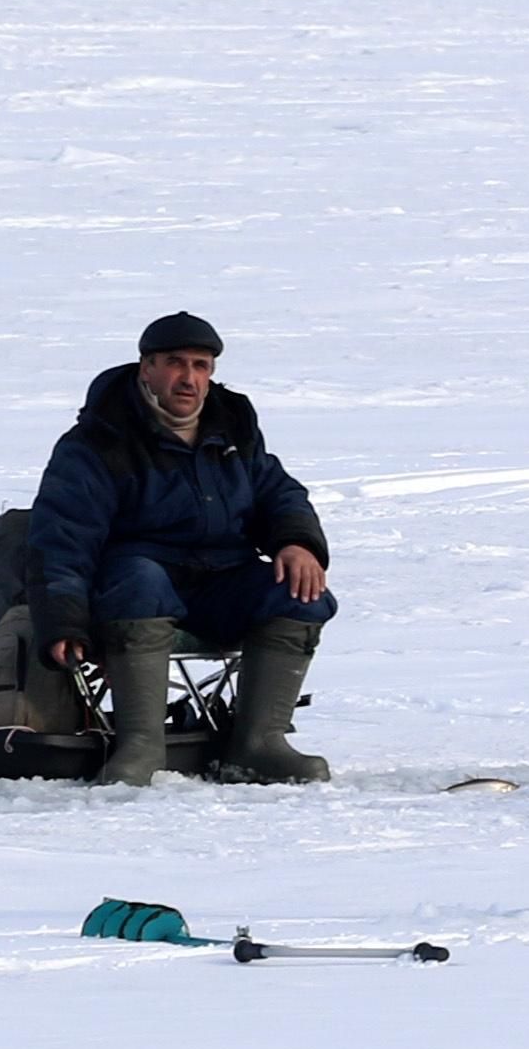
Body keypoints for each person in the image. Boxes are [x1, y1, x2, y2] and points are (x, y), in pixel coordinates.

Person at [25, 311, 337, 786]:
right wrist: (63, 620)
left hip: (220, 580)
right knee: (140, 577)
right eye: (175, 363)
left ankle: (257, 745)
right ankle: (141, 747)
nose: (188, 378)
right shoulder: (98, 440)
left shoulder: (233, 426)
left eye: (201, 365)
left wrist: (296, 542)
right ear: (146, 367)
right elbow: (61, 538)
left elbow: (278, 493)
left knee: (300, 592)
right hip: (133, 588)